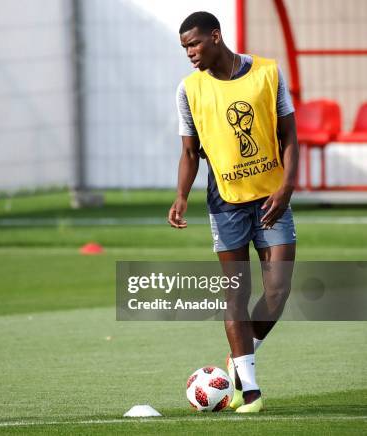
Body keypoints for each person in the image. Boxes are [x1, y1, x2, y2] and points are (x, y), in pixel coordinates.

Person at [168, 12, 299, 413]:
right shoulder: (188, 90)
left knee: (277, 291)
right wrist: (180, 196)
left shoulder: (268, 74)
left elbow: (290, 136)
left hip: (271, 199)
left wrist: (286, 187)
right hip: (225, 203)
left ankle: (240, 358)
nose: (190, 53)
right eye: (184, 47)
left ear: (215, 36)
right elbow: (190, 152)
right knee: (237, 293)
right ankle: (251, 388)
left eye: (194, 44)